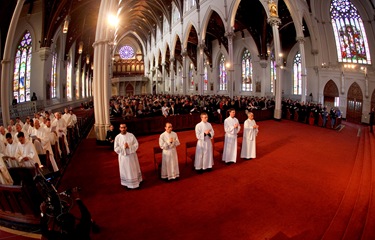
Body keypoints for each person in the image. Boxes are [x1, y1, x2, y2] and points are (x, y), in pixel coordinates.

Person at [114, 124, 142, 189]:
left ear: (126, 128)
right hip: (124, 157)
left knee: (133, 169)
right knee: (126, 170)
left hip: (132, 156)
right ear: (119, 128)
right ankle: (127, 183)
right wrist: (124, 147)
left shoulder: (131, 135)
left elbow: (136, 144)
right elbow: (116, 148)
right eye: (121, 128)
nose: (123, 129)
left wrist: (129, 146)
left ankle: (136, 182)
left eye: (124, 127)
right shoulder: (117, 137)